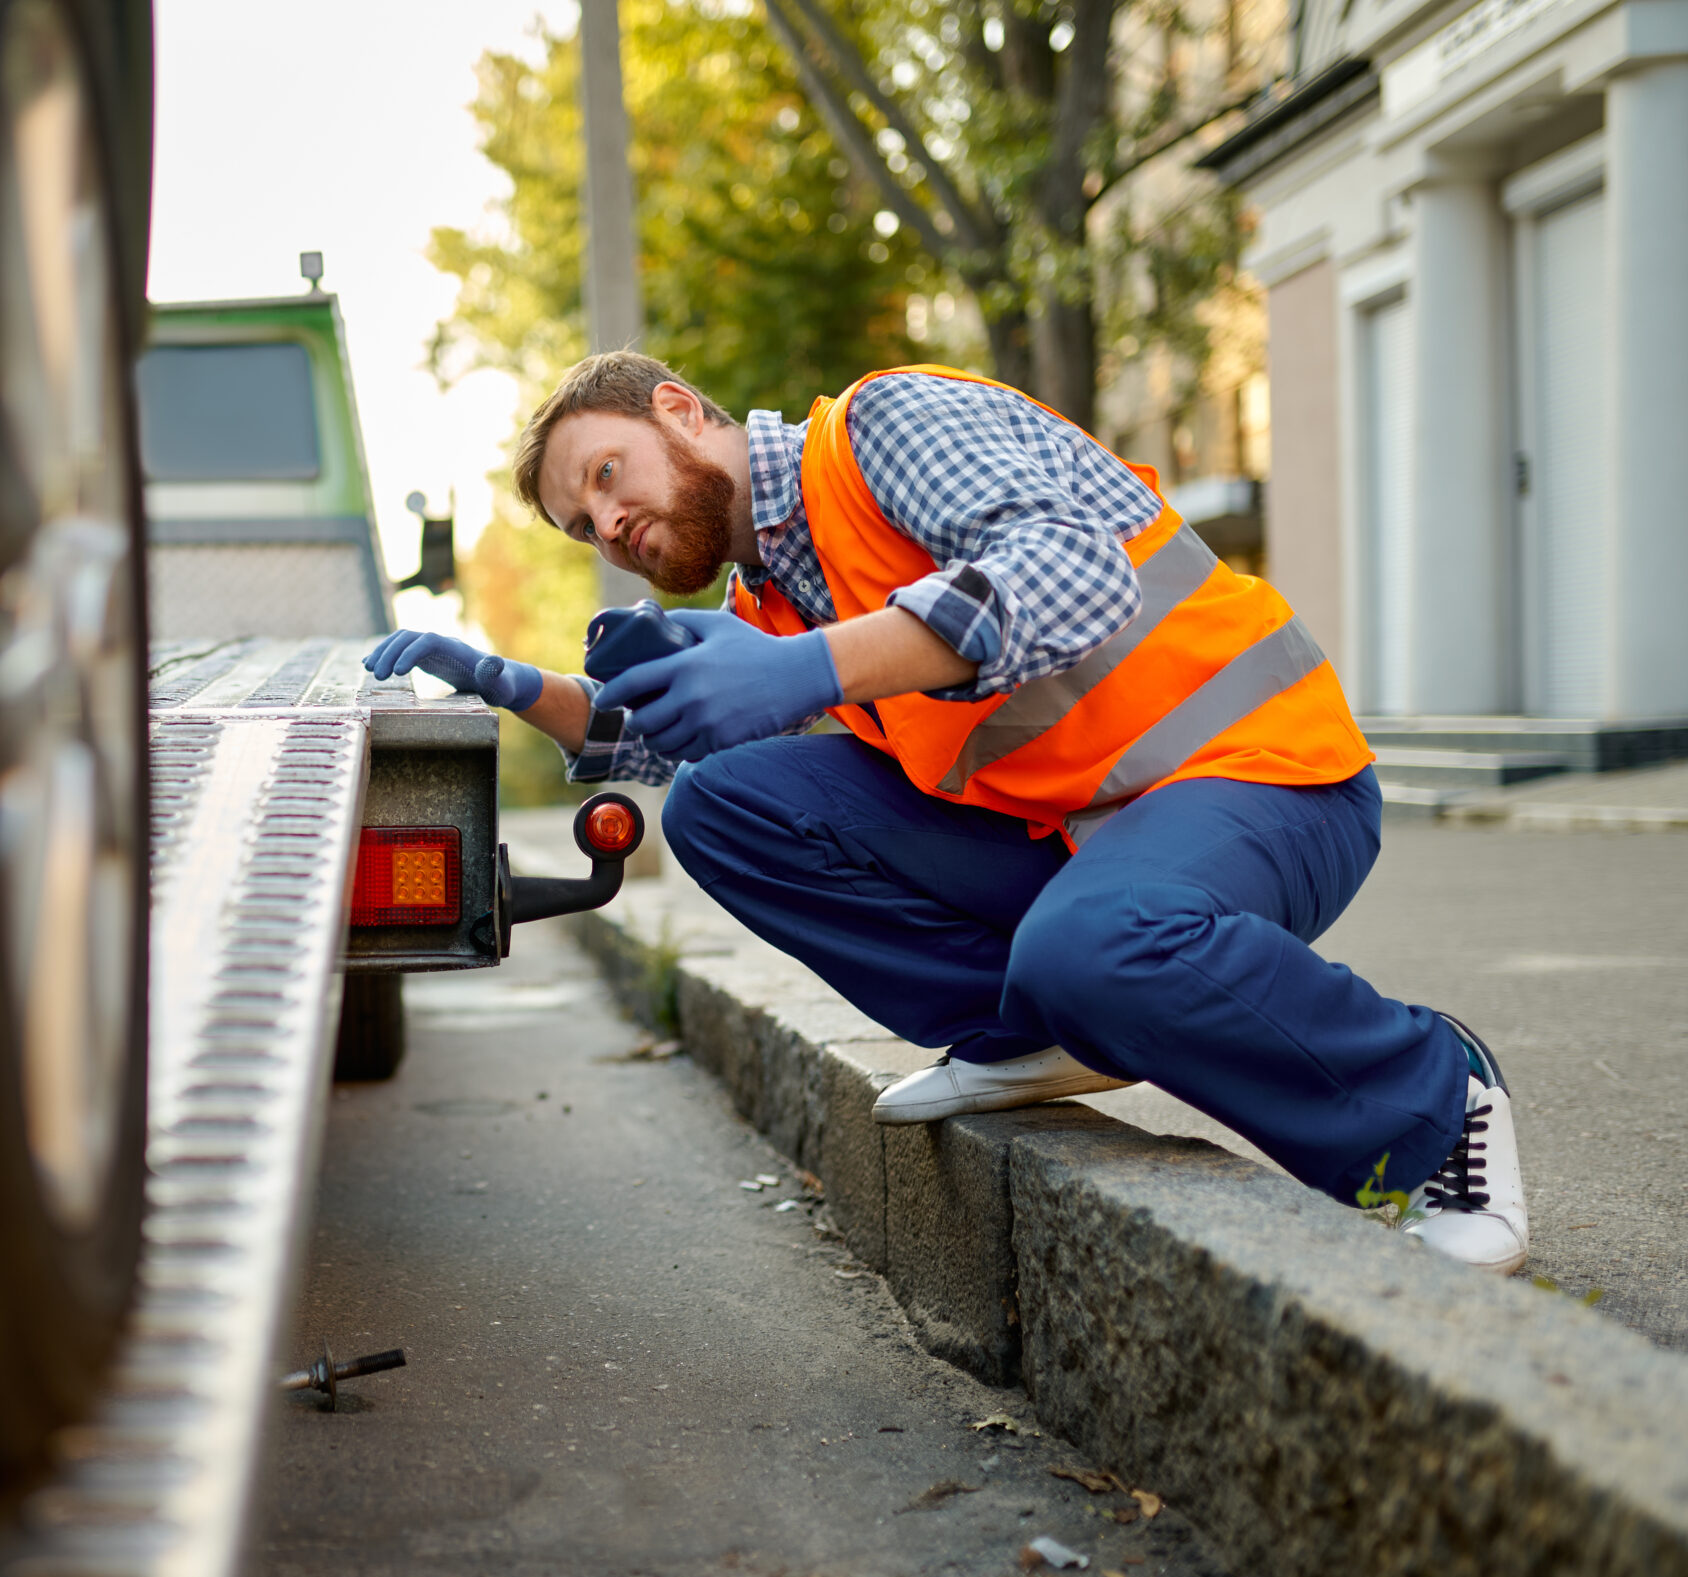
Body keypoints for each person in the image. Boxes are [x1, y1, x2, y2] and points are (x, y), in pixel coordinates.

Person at [365, 353, 1526, 1274]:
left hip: (1258, 771)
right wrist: (524, 694)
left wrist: (817, 667)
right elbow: (682, 743)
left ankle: (1432, 1104)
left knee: (1098, 942)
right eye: (582, 526)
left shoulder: (883, 426)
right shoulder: (770, 592)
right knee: (721, 807)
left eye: (608, 476)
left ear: (677, 411)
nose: (607, 526)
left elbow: (1070, 569)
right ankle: (1033, 1036)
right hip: (1080, 836)